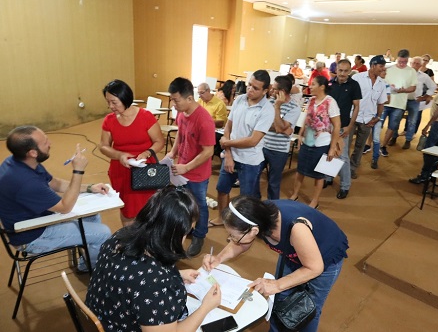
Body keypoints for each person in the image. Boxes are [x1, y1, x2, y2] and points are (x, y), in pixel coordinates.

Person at [202, 196, 348, 332]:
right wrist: (219, 258)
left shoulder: (296, 228)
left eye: (234, 236)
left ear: (254, 230)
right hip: (293, 253)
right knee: (280, 297)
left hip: (324, 257)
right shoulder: (257, 217)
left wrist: (276, 285)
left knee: (309, 308)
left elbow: (314, 268)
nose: (232, 239)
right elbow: (241, 242)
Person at [86, 187, 221, 331]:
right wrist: (206, 307)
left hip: (107, 316)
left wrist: (177, 275)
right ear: (175, 234)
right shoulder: (154, 283)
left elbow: (128, 278)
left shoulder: (120, 237)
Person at [0, 126, 111, 272]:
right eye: (45, 142)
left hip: (37, 220)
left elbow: (55, 183)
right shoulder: (26, 182)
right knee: (104, 233)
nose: (50, 143)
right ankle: (88, 267)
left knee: (93, 216)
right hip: (31, 236)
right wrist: (78, 171)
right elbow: (65, 207)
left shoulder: (19, 161)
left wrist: (90, 188)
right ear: (32, 153)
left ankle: (89, 257)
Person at [99, 79, 165, 226]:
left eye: (114, 102)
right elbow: (103, 146)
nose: (111, 106)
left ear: (125, 98)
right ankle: (131, 242)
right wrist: (119, 155)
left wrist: (147, 153)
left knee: (149, 208)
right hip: (121, 170)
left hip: (145, 170)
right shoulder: (109, 120)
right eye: (108, 102)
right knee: (127, 210)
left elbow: (159, 141)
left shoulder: (145, 116)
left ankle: (149, 242)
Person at [212, 70, 274, 226]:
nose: (250, 90)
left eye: (255, 88)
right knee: (222, 189)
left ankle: (242, 227)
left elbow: (253, 140)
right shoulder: (239, 100)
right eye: (249, 85)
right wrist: (228, 154)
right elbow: (228, 128)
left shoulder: (267, 110)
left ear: (265, 91)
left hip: (250, 161)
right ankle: (222, 218)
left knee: (246, 198)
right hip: (231, 155)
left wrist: (227, 144)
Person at [164, 78, 215, 256]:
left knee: (199, 204)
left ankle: (200, 235)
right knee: (185, 203)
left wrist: (187, 167)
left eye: (176, 100)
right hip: (182, 169)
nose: (174, 104)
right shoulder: (181, 113)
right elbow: (180, 132)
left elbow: (208, 151)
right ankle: (189, 229)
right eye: (172, 99)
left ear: (189, 99)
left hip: (197, 173)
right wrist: (173, 152)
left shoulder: (204, 120)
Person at [289, 75, 342, 209]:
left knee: (319, 174)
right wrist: (300, 135)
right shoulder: (311, 100)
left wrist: (331, 147)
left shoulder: (330, 102)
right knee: (300, 170)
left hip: (322, 143)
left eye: (313, 84)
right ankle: (295, 193)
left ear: (322, 87)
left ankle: (315, 200)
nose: (310, 86)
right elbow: (306, 120)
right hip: (308, 141)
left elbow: (337, 126)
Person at [324, 59, 361, 199]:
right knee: (329, 151)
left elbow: (356, 106)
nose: (343, 73)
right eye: (340, 70)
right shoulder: (330, 83)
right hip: (328, 126)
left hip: (343, 126)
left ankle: (345, 186)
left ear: (350, 71)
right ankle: (328, 178)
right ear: (336, 70)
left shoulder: (354, 85)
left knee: (343, 156)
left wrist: (350, 126)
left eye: (346, 71)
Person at [259, 75, 301, 200]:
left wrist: (277, 107)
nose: (271, 90)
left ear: (282, 92)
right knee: (254, 176)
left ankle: (273, 209)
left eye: (274, 88)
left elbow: (279, 127)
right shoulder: (268, 102)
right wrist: (282, 127)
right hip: (263, 146)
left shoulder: (294, 107)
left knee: (274, 183)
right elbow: (275, 126)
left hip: (279, 151)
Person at [351, 55, 388, 173]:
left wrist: (377, 117)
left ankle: (352, 169)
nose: (383, 69)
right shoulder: (357, 77)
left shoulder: (382, 84)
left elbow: (381, 103)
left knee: (360, 147)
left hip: (368, 120)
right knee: (343, 146)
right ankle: (337, 170)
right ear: (373, 65)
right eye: (381, 66)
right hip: (351, 117)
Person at [379, 49, 417, 156]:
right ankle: (373, 144)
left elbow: (413, 87)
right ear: (397, 59)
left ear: (408, 60)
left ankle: (383, 146)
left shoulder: (411, 71)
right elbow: (381, 82)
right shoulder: (389, 69)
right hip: (385, 102)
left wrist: (403, 90)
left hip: (400, 104)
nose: (402, 64)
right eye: (400, 61)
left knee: (393, 126)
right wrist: (389, 87)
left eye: (404, 62)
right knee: (378, 124)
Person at [398, 56, 438, 150]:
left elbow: (433, 86)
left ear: (420, 65)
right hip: (401, 100)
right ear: (410, 64)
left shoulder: (424, 76)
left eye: (417, 64)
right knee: (396, 119)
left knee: (412, 121)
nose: (414, 65)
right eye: (413, 63)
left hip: (414, 101)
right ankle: (394, 137)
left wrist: (426, 96)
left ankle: (408, 140)